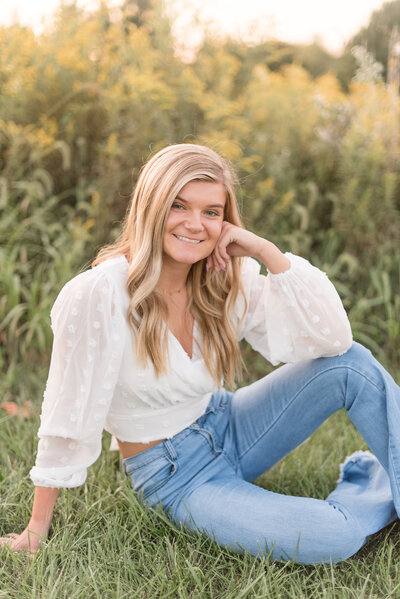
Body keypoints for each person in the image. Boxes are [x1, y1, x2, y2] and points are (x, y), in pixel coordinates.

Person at [1, 144, 399, 563]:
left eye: (211, 212)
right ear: (150, 207)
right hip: (176, 474)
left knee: (352, 365)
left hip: (228, 422)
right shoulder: (99, 293)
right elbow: (67, 412)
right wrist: (35, 529)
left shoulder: (222, 277)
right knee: (334, 536)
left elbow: (333, 340)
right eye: (178, 206)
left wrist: (266, 251)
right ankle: (370, 478)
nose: (196, 225)